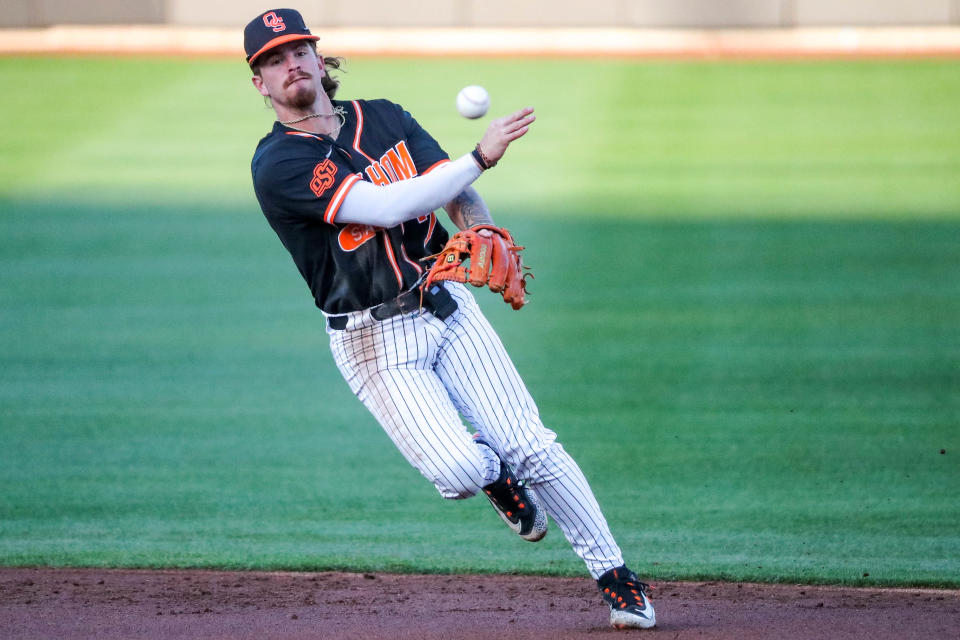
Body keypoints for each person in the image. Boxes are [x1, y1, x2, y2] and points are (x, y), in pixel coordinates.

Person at [244, 8, 656, 630]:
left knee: (534, 445)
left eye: (297, 49)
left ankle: (615, 577)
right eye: (272, 60)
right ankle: (495, 478)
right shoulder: (277, 165)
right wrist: (481, 155)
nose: (290, 64)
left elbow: (447, 188)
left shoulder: (382, 115)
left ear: (318, 56)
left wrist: (479, 224)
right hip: (372, 342)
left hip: (445, 302)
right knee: (458, 470)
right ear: (260, 84)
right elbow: (387, 205)